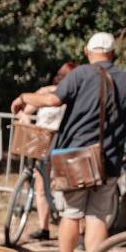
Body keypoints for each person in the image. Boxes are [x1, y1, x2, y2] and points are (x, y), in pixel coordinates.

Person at [11, 32, 126, 252]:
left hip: (75, 159)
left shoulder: (80, 74)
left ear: (88, 51)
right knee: (98, 217)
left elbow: (53, 99)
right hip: (109, 159)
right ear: (113, 53)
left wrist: (24, 97)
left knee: (72, 214)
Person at [17, 61, 77, 241]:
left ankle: (76, 229)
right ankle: (44, 227)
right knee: (40, 185)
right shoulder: (45, 92)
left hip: (63, 143)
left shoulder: (74, 96)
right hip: (42, 141)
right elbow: (26, 112)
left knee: (66, 186)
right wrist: (25, 121)